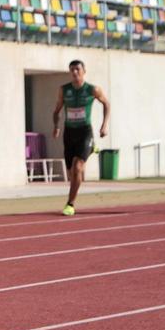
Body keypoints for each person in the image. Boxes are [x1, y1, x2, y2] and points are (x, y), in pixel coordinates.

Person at [51, 60, 110, 216]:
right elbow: (57, 110)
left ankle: (70, 204)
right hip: (69, 133)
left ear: (84, 71)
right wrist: (56, 126)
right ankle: (91, 148)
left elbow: (106, 104)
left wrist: (104, 125)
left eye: (77, 69)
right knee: (71, 173)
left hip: (85, 131)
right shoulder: (64, 90)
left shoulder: (92, 89)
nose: (74, 72)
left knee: (78, 167)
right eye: (72, 70)